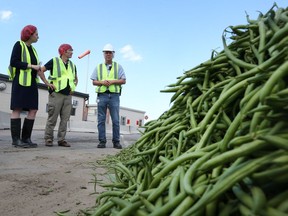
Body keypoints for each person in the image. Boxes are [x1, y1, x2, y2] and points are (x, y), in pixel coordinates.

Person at [8, 25, 42, 148]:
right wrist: (32, 66)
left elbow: (38, 68)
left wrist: (47, 82)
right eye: (36, 34)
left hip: (32, 83)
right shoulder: (19, 45)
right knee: (17, 108)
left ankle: (26, 138)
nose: (38, 36)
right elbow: (14, 62)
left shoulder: (33, 50)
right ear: (30, 34)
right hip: (20, 81)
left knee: (33, 109)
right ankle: (16, 140)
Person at [38, 44, 78, 147]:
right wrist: (47, 83)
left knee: (65, 119)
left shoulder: (72, 65)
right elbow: (40, 70)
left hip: (68, 95)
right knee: (53, 117)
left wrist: (73, 87)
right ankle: (48, 139)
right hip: (56, 94)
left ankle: (61, 140)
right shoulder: (54, 61)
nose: (72, 52)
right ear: (64, 51)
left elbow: (76, 78)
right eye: (70, 50)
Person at [90, 43, 126, 149]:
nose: (108, 54)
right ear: (103, 54)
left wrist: (113, 81)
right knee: (101, 119)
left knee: (115, 120)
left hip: (114, 96)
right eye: (106, 52)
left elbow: (123, 80)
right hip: (102, 95)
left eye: (110, 52)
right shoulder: (99, 67)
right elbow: (94, 81)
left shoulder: (118, 67)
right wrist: (102, 82)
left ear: (113, 54)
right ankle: (102, 141)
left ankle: (116, 141)